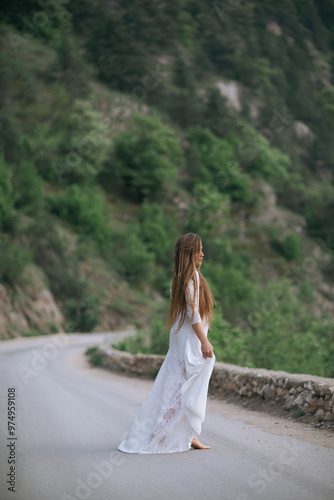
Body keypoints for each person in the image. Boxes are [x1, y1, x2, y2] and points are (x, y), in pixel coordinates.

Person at [118, 233, 215, 454]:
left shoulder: (180, 277)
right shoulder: (192, 278)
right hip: (189, 341)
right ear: (190, 253)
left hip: (181, 340)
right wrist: (204, 341)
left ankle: (185, 433)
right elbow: (194, 314)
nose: (203, 254)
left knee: (177, 387)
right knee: (184, 386)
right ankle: (168, 433)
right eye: (199, 250)